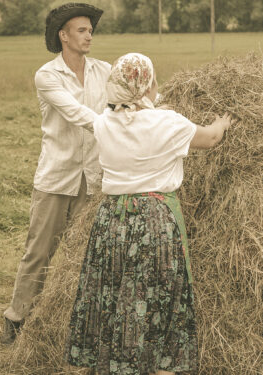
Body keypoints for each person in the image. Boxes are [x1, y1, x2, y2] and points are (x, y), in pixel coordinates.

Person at [64, 53, 234, 375]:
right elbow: (210, 138)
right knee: (159, 299)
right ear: (146, 86)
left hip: (111, 220)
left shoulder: (103, 123)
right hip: (154, 221)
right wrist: (222, 123)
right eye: (154, 82)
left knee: (109, 294)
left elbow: (128, 119)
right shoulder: (169, 124)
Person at [2, 2, 111, 343]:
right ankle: (17, 319)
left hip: (93, 179)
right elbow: (76, 113)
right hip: (56, 177)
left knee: (87, 253)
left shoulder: (105, 71)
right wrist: (119, 129)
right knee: (39, 252)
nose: (89, 35)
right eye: (82, 30)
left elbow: (135, 99)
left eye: (91, 30)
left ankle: (79, 322)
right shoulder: (47, 75)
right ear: (63, 36)